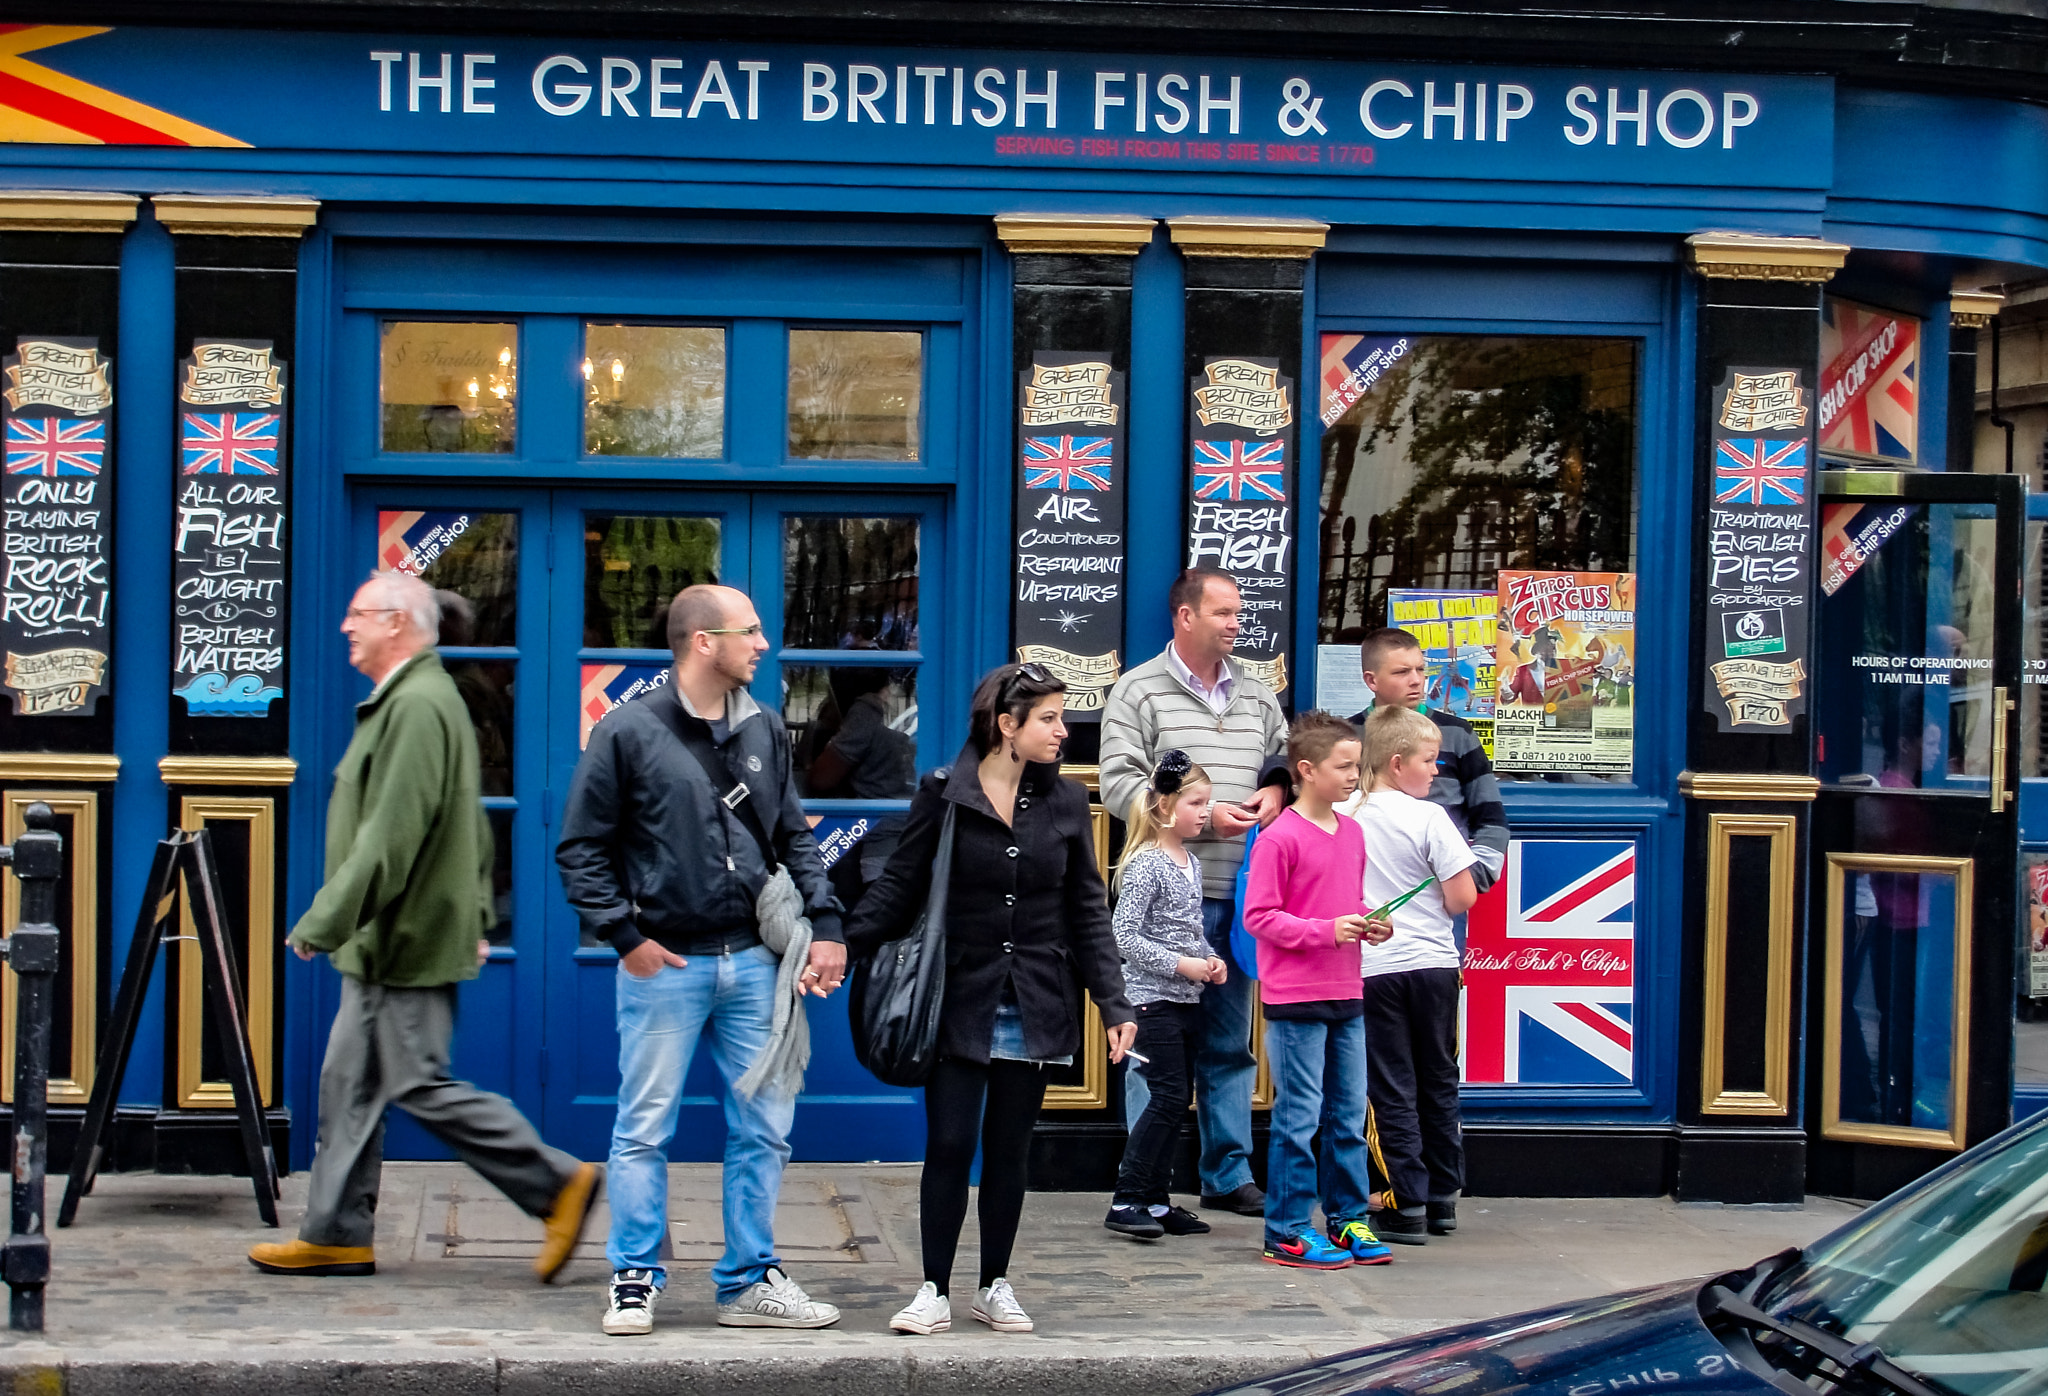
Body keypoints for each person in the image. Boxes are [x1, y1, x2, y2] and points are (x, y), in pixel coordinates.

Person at [249, 570, 598, 1281]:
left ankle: (557, 1184)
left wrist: (324, 919)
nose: (347, 626)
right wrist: (470, 911)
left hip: (397, 936)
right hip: (388, 935)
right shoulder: (415, 699)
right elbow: (465, 822)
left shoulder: (416, 705)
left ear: (398, 625)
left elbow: (391, 837)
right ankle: (335, 1231)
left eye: (359, 614)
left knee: (417, 1085)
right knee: (348, 1083)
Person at [556, 584, 847, 1337]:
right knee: (643, 1127)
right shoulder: (626, 731)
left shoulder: (766, 731)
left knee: (765, 1129)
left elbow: (793, 840)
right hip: (667, 966)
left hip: (755, 963)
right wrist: (625, 937)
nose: (763, 644)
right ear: (702, 642)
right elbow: (581, 848)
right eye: (749, 632)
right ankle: (633, 1276)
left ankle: (749, 1280)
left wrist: (826, 924)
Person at [848, 662, 1137, 1336]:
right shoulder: (944, 793)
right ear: (1007, 725)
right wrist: (838, 946)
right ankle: (932, 1288)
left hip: (1036, 997)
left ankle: (994, 1284)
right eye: (1049, 719)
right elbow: (898, 886)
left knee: (1010, 1149)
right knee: (949, 1142)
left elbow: (1088, 911)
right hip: (958, 996)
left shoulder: (1066, 802)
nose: (1064, 731)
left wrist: (1115, 1004)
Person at [1101, 568, 1288, 1218]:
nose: (1238, 623)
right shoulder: (1138, 692)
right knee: (1152, 1046)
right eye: (1225, 612)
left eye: (1239, 612)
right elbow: (1120, 784)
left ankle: (1227, 1173)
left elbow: (1284, 759)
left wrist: (1277, 790)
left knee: (1229, 1044)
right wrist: (1200, 818)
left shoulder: (1260, 695)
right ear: (1185, 616)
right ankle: (1142, 1182)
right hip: (1165, 899)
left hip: (1239, 897)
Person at [1243, 711, 1392, 1271]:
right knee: (1299, 1117)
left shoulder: (1352, 832)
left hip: (1346, 991)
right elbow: (1260, 917)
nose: (1356, 775)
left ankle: (1348, 1216)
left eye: (1358, 765)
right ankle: (1286, 1229)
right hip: (1294, 996)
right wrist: (1325, 932)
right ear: (1306, 770)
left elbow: (1343, 902)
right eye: (1344, 766)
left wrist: (1370, 920)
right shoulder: (1278, 837)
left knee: (1349, 1114)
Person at [1347, 706, 1480, 1245]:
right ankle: (1442, 1196)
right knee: (1438, 1076)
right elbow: (1462, 897)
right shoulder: (1431, 820)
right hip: (1434, 966)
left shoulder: (1345, 814)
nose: (1436, 772)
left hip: (1374, 968)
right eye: (1429, 761)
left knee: (1390, 1085)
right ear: (1396, 763)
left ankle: (1405, 1200)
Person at [1104, 750, 1221, 1241]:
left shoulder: (1190, 862)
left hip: (1185, 999)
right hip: (1149, 1000)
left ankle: (1154, 1201)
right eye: (1196, 802)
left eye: (1206, 803)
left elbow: (1187, 930)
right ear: (1164, 805)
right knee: (1167, 1096)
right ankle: (1127, 1197)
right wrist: (1181, 965)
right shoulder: (1146, 864)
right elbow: (1124, 935)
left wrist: (1209, 959)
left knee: (1176, 1099)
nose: (1205, 812)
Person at [1351, 627, 1508, 894]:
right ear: (1372, 680)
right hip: (1362, 895)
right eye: (1401, 672)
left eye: (1421, 670)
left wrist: (1469, 880)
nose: (1416, 680)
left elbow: (1492, 820)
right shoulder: (1347, 738)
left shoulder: (1457, 734)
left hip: (1440, 893)